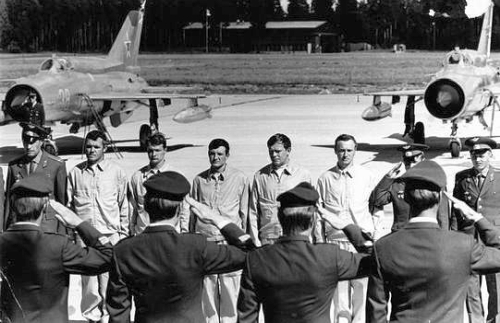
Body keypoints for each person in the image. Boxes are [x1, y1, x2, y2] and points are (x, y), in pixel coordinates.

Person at [106, 171, 255, 323]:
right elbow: (249, 254)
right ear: (179, 210)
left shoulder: (123, 251)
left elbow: (118, 312)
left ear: (146, 207)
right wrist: (216, 219)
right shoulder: (195, 246)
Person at [367, 160, 500, 323]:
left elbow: (376, 311)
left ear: (407, 198)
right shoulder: (462, 245)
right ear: (439, 198)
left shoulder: (383, 247)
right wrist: (478, 218)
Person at [238, 182, 373, 323]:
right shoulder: (329, 256)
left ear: (279, 218)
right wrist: (346, 225)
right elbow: (375, 260)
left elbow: (246, 318)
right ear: (313, 220)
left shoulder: (257, 259)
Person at [0, 173, 113, 323]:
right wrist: (79, 223)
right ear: (45, 206)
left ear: (13, 207)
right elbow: (106, 256)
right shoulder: (58, 245)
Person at [315, 133, 379, 323]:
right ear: (335, 151)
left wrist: (374, 233)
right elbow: (319, 214)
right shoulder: (325, 178)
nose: (345, 155)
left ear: (355, 151)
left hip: (361, 244)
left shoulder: (367, 176)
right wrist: (320, 242)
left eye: (349, 150)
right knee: (340, 297)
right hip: (336, 244)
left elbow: (376, 207)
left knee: (362, 291)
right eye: (341, 150)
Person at [67, 130, 129, 323]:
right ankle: (91, 318)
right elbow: (70, 206)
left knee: (111, 283)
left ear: (105, 148)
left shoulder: (116, 172)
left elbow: (123, 205)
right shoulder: (75, 173)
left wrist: (124, 233)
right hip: (86, 238)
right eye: (89, 146)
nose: (91, 151)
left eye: (96, 147)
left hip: (110, 235)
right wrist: (73, 235)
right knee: (89, 285)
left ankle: (108, 318)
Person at [185, 138, 249, 323]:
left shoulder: (240, 179)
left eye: (220, 154)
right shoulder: (198, 180)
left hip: (229, 243)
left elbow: (244, 212)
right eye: (212, 154)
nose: (215, 157)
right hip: (207, 243)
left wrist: (242, 241)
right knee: (208, 288)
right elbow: (193, 213)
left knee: (231, 288)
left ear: (227, 155)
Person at [453, 137, 500, 323]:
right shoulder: (462, 178)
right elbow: (455, 211)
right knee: (471, 286)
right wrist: (455, 237)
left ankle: (495, 319)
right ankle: (476, 320)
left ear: (490, 155)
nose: (478, 159)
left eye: (481, 155)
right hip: (469, 240)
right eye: (474, 155)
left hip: (493, 241)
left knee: (495, 285)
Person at [3, 123, 68, 235]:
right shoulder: (14, 166)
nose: (28, 146)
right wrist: (5, 229)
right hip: (20, 226)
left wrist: (62, 233)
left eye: (33, 142)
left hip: (47, 227)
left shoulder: (56, 165)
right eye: (26, 142)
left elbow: (62, 202)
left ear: (41, 141)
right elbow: (9, 201)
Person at [248, 133, 311, 246]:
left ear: (288, 150)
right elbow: (253, 212)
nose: (274, 155)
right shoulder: (260, 176)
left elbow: (310, 211)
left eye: (278, 151)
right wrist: (255, 241)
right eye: (271, 151)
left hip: (295, 239)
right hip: (268, 240)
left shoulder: (302, 175)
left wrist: (308, 240)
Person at [370, 143, 451, 231]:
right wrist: (387, 178)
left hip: (424, 235)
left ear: (423, 161)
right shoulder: (397, 184)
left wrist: (443, 237)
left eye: (414, 162)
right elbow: (378, 200)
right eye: (408, 162)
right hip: (400, 235)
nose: (411, 166)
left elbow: (443, 216)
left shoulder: (434, 183)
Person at [128, 133, 176, 235]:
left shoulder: (175, 176)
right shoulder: (137, 177)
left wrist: (183, 232)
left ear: (165, 150)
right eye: (150, 151)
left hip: (168, 236)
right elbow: (133, 208)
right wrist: (132, 232)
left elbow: (183, 209)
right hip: (143, 235)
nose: (154, 154)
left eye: (158, 150)